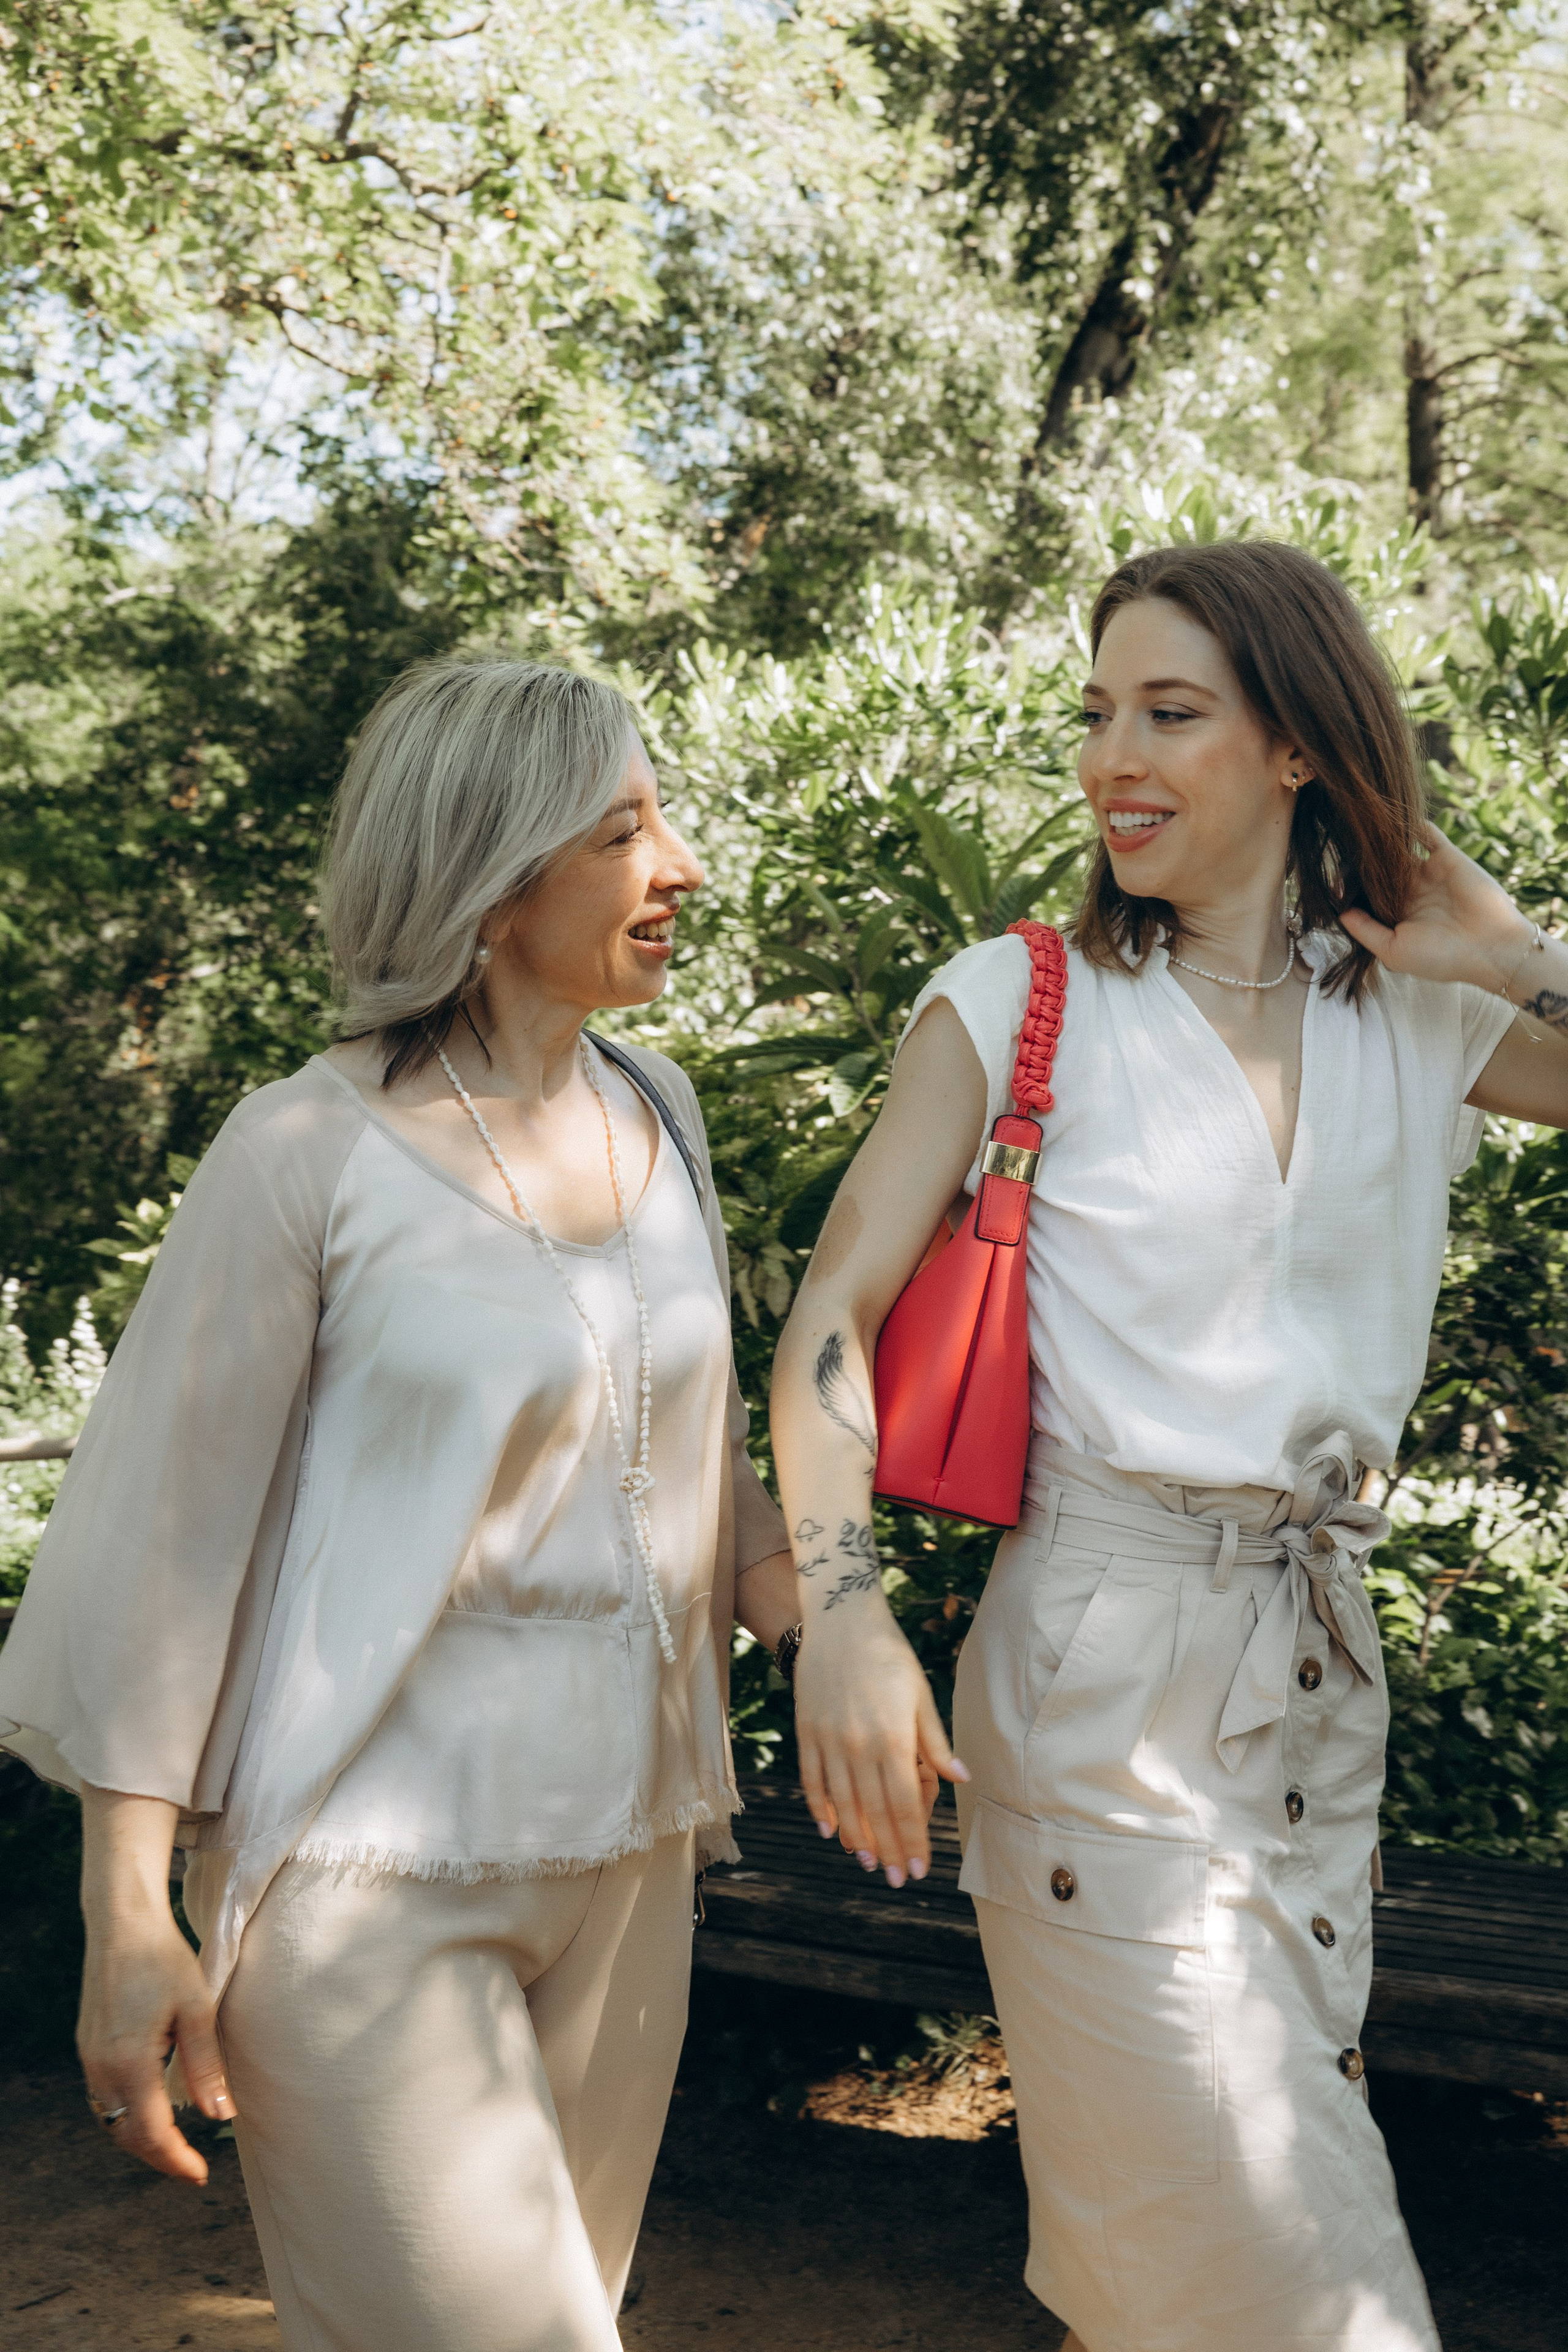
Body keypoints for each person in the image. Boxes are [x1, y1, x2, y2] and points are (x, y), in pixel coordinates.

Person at [769, 539, 1568, 2351]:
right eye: (1096, 713)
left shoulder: (1423, 1011)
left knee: (1190, 2275)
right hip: (1099, 1683)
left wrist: (1517, 953)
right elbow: (830, 1318)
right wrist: (843, 1610)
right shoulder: (1019, 995)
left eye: (1171, 713)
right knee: (1304, 2287)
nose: (1113, 757)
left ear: (1298, 744)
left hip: (1311, 1693)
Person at [0, 660, 796, 2352]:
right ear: (495, 883)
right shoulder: (302, 1150)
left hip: (638, 1855)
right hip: (368, 1879)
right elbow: (160, 1546)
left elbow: (689, 1451)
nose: (683, 865)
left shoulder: (667, 1113)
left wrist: (846, 1616)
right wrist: (125, 1915)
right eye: (626, 829)